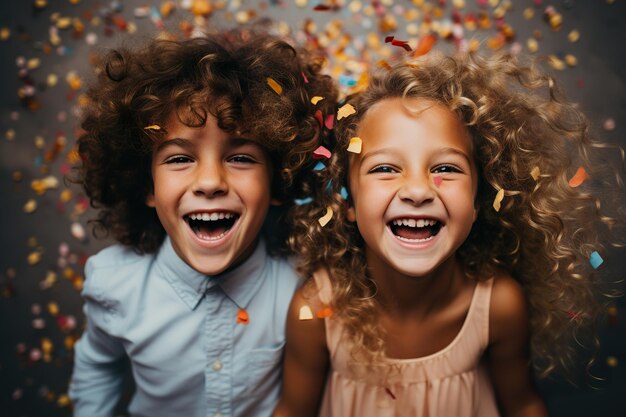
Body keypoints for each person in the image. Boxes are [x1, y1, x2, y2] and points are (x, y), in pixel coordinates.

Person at [273, 52, 624, 417]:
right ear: (346, 199)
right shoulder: (317, 310)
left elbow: (523, 404)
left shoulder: (498, 305)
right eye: (385, 168)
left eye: (445, 167)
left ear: (477, 200)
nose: (418, 190)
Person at [68, 28, 337, 417]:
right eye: (179, 159)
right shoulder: (114, 284)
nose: (210, 182)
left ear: (278, 181)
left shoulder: (304, 287)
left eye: (241, 158)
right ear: (147, 185)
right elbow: (97, 363)